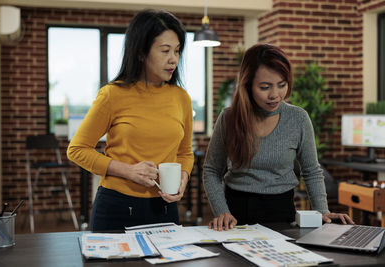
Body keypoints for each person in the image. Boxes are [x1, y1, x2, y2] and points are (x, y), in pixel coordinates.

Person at [202, 43, 354, 231]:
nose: (275, 95)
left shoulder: (298, 118)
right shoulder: (229, 118)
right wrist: (221, 212)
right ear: (247, 85)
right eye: (265, 87)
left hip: (281, 213)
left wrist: (322, 211)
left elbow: (311, 171)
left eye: (281, 85)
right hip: (235, 214)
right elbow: (211, 171)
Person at [67, 9, 194, 231]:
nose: (173, 59)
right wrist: (128, 171)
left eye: (177, 51)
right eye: (165, 51)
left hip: (165, 209)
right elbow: (77, 149)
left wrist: (183, 179)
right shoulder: (112, 94)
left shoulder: (181, 98)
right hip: (116, 207)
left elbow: (185, 153)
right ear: (141, 53)